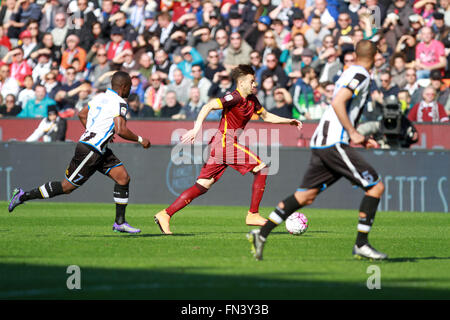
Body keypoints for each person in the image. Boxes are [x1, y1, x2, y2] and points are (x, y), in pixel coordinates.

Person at [247, 40, 388, 261]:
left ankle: (261, 234)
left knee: (305, 196)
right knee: (376, 187)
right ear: (375, 57)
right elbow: (338, 102)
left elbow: (341, 107)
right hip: (333, 142)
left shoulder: (350, 72)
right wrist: (352, 132)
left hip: (323, 141)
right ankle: (361, 244)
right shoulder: (361, 75)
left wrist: (360, 137)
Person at [154, 64, 302, 235]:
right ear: (241, 82)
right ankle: (253, 214)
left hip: (221, 145)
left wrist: (288, 121)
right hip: (225, 143)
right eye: (252, 81)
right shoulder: (234, 97)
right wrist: (196, 129)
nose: (255, 84)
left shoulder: (252, 100)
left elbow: (267, 116)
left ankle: (165, 214)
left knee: (203, 184)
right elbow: (208, 106)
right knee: (262, 168)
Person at [8, 72, 151, 234]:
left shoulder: (99, 97)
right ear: (123, 87)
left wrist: (95, 131)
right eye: (130, 87)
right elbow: (121, 130)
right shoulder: (119, 103)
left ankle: (120, 222)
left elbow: (82, 114)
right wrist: (141, 139)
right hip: (91, 151)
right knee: (66, 187)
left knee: (123, 178)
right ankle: (22, 195)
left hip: (99, 149)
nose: (130, 91)